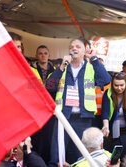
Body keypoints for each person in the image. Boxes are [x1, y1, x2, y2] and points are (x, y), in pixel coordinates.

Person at [46, 38, 111, 166]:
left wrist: (94, 59)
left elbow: (105, 80)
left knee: (81, 154)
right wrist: (61, 67)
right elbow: (49, 86)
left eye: (77, 47)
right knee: (57, 154)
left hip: (83, 117)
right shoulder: (63, 67)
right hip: (63, 117)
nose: (74, 49)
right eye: (71, 47)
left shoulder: (91, 67)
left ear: (84, 51)